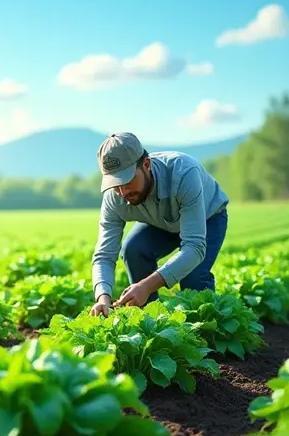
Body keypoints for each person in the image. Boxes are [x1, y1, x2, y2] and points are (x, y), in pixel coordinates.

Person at [89, 131, 229, 317]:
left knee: (193, 275)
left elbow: (194, 247)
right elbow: (105, 254)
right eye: (115, 183)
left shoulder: (185, 172)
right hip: (161, 222)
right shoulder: (113, 197)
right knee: (134, 250)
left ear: (146, 165)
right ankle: (151, 323)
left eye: (127, 180)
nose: (122, 192)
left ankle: (204, 334)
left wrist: (145, 286)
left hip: (207, 217)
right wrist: (103, 298)